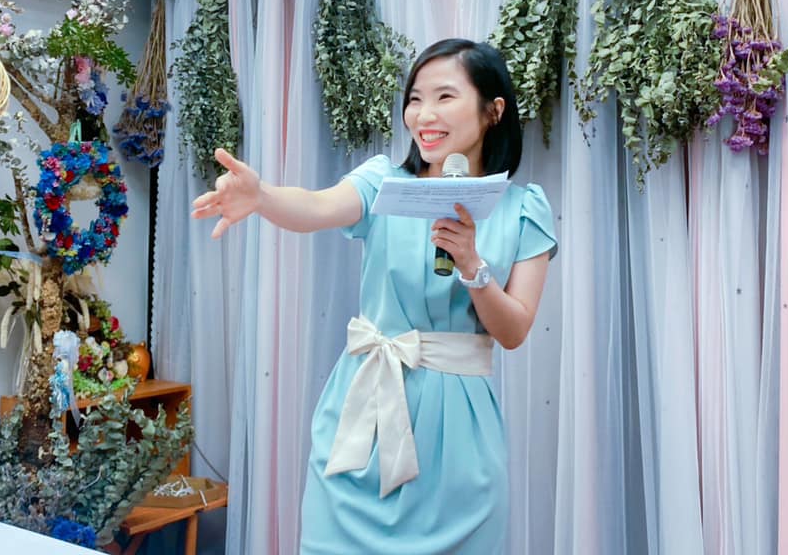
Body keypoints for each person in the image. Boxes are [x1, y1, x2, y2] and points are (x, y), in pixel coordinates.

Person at [191, 39, 557, 554]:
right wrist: (262, 196)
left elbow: (514, 331)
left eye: (445, 96)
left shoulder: (523, 209)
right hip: (363, 415)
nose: (424, 115)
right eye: (415, 99)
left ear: (493, 110)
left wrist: (472, 266)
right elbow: (316, 207)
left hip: (457, 439)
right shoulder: (383, 180)